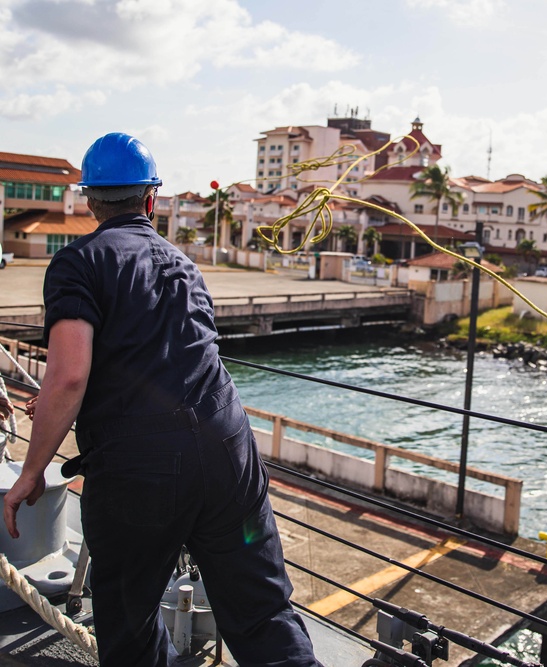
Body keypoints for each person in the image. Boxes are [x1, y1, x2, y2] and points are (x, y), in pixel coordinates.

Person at [2, 133, 321, 667]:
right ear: (151, 200)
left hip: (139, 476)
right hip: (228, 457)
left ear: (89, 201)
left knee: (129, 620)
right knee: (263, 611)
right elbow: (166, 361)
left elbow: (69, 377)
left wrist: (32, 472)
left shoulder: (79, 263)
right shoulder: (184, 265)